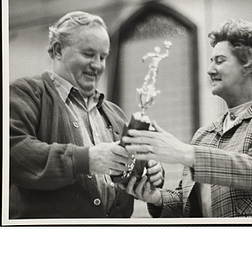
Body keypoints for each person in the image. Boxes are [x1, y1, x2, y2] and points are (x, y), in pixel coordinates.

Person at [122, 19, 252, 218]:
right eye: (211, 61)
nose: (210, 69)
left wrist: (182, 151)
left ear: (248, 64)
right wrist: (156, 197)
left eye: (219, 61)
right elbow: (187, 204)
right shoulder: (204, 135)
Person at [9, 11, 163, 219]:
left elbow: (130, 168)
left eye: (103, 57)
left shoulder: (114, 113)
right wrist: (86, 159)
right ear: (57, 51)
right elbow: (14, 153)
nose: (98, 65)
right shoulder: (26, 93)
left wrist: (150, 171)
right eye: (88, 54)